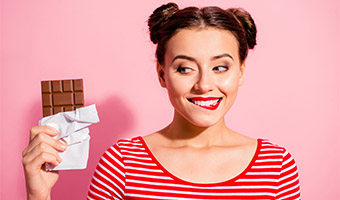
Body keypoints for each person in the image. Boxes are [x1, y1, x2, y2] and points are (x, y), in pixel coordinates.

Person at [22, 2, 301, 200]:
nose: (204, 85)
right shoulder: (122, 164)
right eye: (184, 68)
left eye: (220, 67)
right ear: (162, 74)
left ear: (240, 72)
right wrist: (39, 194)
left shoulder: (276, 167)